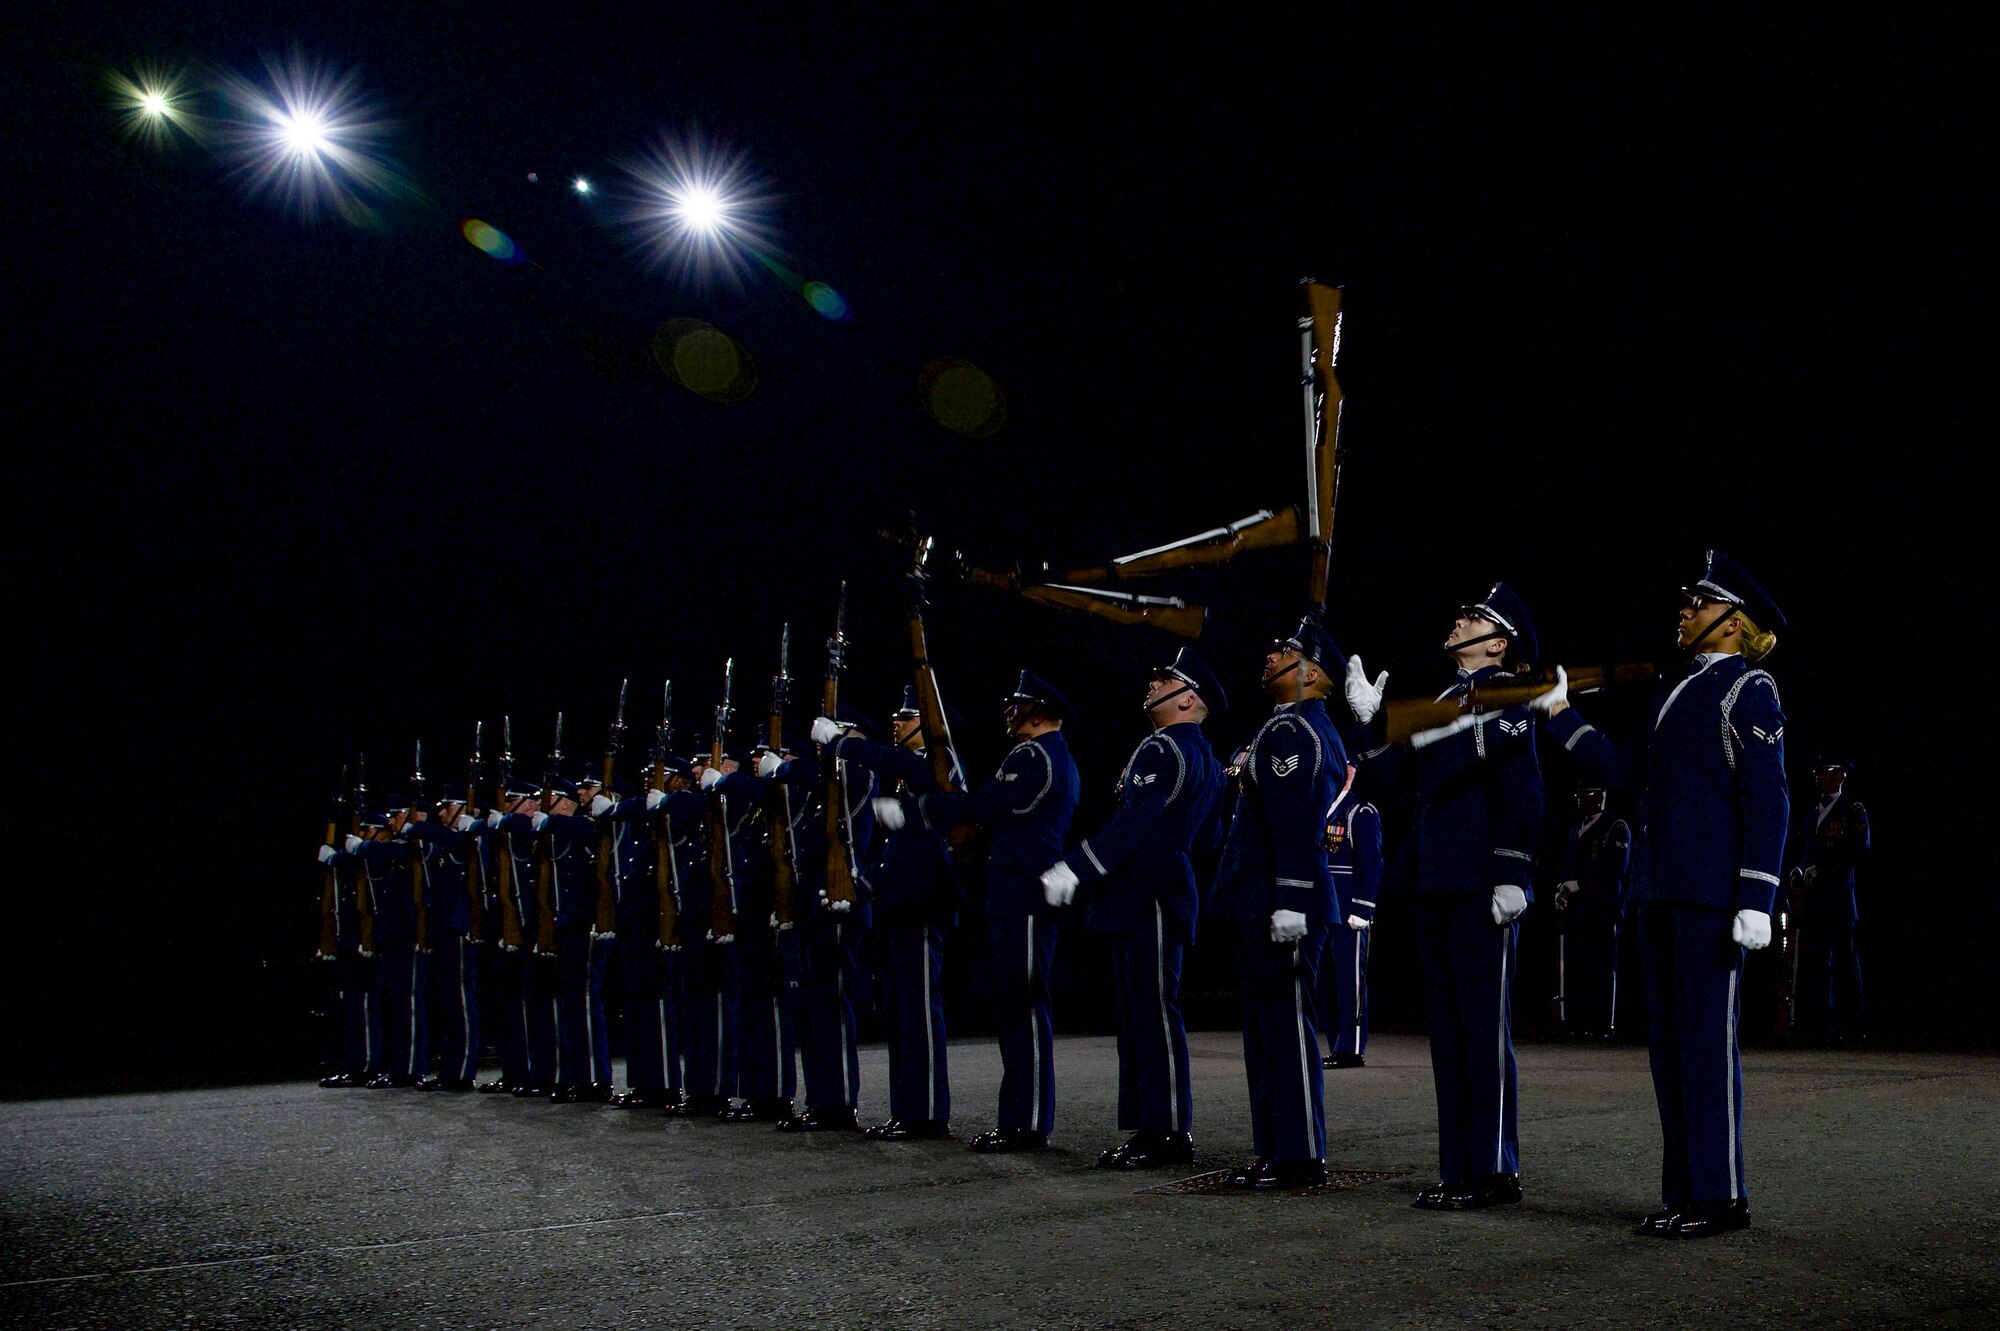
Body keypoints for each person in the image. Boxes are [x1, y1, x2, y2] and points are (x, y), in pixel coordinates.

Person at [1527, 550, 1789, 1238]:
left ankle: (1721, 1196)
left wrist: (1757, 898)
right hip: (1657, 892)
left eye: (1698, 604)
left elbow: (1769, 801)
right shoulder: (1678, 691)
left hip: (1709, 896)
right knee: (1669, 1050)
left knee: (1705, 1046)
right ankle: (1685, 1193)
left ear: (1733, 622)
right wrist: (1558, 712)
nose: (1684, 612)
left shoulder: (1747, 690)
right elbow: (1618, 766)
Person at [1345, 582, 1545, 1210]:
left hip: (1481, 884)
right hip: (1436, 882)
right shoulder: (1445, 698)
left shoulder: (1505, 694)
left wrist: (1513, 870)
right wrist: (1372, 721)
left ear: (1498, 640)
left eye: (1472, 617)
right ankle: (1461, 1168)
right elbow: (1393, 775)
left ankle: (1493, 1170)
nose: (1457, 622)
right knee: (1450, 1034)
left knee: (1483, 1031)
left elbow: (1522, 786)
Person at [1040, 647, 1225, 1170]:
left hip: (1149, 893)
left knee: (1152, 1013)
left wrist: (1076, 867)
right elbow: (1208, 837)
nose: (1153, 683)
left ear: (1188, 699)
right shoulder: (1204, 757)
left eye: (1166, 679)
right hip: (1159, 888)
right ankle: (1153, 1127)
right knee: (1142, 1012)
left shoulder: (1163, 749)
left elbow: (1135, 824)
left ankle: (1164, 1131)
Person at [886, 670, 1080, 1153]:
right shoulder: (1053, 757)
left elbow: (986, 804)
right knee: (1016, 1005)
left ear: (1041, 712)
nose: (1011, 711)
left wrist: (919, 811)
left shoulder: (1034, 754)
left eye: (1021, 704)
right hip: (1022, 890)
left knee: (1023, 1007)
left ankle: (1027, 1122)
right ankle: (1021, 1119)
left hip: (1025, 891)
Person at [1211, 616, 1348, 1189]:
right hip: (1261, 897)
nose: (1270, 656)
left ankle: (1298, 1155)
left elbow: (1297, 819)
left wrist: (1291, 896)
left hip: (1282, 901)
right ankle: (1275, 1149)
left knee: (1286, 1031)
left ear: (1311, 674)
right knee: (1265, 1032)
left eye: (1285, 651)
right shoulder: (1280, 726)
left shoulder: (1296, 732)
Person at [818, 688, 963, 1140]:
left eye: (907, 717)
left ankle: (926, 1112)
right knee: (901, 1011)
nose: (896, 725)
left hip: (923, 902)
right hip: (900, 904)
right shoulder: (910, 772)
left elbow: (916, 770)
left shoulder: (940, 762)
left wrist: (847, 744)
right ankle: (908, 1108)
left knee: (919, 1010)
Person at [608, 769, 684, 1108]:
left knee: (655, 1000)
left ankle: (665, 1082)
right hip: (635, 919)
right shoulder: (642, 816)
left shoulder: (672, 810)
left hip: (658, 918)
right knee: (636, 1002)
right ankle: (643, 1081)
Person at [1786, 753, 1869, 1045]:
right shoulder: (1810, 813)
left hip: (1838, 901)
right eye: (1816, 770)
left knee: (1845, 964)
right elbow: (1798, 848)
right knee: (1814, 965)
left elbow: (1858, 850)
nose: (1818, 776)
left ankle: (1852, 1028)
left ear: (1841, 775)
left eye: (1825, 770)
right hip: (1812, 903)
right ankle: (1817, 1027)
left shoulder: (1852, 811)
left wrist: (1822, 869)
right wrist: (1796, 870)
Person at [409, 785, 480, 1091]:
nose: (442, 813)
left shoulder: (467, 835)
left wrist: (420, 825)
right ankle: (451, 1068)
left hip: (460, 925)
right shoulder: (447, 839)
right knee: (449, 1001)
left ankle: (462, 1071)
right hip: (444, 926)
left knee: (461, 1001)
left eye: (448, 806)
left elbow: (452, 840)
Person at [1553, 786, 1631, 1040]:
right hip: (1578, 911)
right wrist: (1562, 889)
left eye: (1586, 794)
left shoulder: (1615, 828)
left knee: (1603, 966)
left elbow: (1615, 870)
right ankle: (1578, 1021)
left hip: (1604, 910)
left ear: (1600, 797)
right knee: (1578, 965)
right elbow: (1567, 865)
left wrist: (1581, 885)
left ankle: (1603, 1023)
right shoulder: (1575, 829)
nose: (1580, 799)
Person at [315, 812, 381, 1087]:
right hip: (348, 935)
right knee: (350, 1004)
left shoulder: (373, 851)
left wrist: (337, 857)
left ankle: (369, 1063)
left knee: (367, 1005)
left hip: (365, 937)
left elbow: (362, 866)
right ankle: (352, 1062)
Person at [1321, 780, 1383, 1070]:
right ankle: (1336, 1043)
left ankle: (1351, 1048)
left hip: (1348, 909)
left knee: (1350, 981)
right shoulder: (1321, 807)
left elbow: (1371, 862)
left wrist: (1363, 907)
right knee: (1327, 981)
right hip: (1323, 910)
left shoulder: (1359, 812)